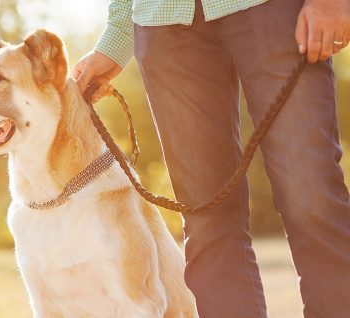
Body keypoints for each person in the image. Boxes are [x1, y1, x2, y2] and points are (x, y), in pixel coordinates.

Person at [72, 0, 350, 317]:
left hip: (273, 9)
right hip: (164, 20)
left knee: (312, 200)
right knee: (207, 224)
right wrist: (119, 33)